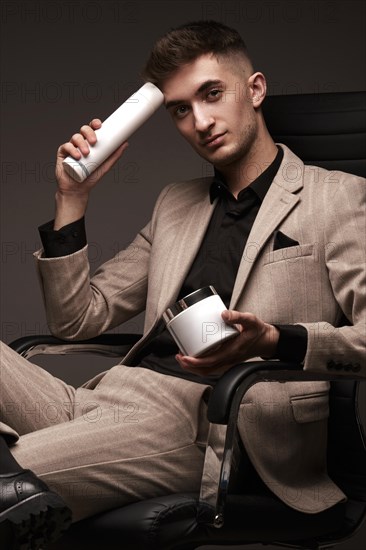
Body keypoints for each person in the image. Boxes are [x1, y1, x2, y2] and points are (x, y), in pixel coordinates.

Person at [0, 20, 365, 549]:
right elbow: (78, 320)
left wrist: (273, 340)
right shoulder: (176, 203)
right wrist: (71, 201)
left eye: (212, 94)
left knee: (13, 489)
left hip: (211, 422)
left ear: (255, 89)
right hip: (109, 400)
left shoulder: (339, 199)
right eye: (180, 109)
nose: (200, 121)